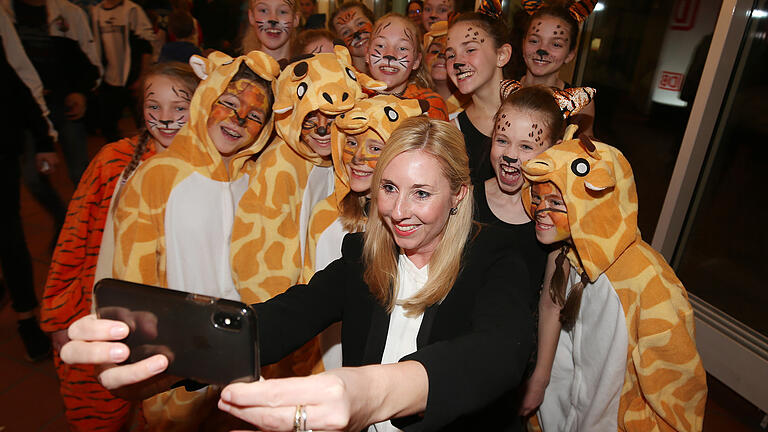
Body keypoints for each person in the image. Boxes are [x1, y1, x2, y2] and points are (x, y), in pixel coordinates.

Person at [60, 116, 537, 432]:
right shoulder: (365, 254)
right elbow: (285, 316)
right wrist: (170, 349)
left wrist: (369, 392)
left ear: (457, 194)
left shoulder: (498, 257)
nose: (398, 210)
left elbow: (497, 355)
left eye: (421, 193)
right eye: (390, 188)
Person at [111, 50, 280, 430]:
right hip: (176, 361)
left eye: (254, 116)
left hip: (242, 355)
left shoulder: (258, 180)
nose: (239, 119)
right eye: (229, 103)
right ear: (207, 98)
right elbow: (134, 276)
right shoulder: (158, 176)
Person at [40, 62, 200, 432]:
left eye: (180, 107)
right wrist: (58, 314)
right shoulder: (112, 161)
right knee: (96, 416)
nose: (165, 117)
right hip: (95, 315)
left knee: (163, 417)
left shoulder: (206, 171)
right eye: (153, 105)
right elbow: (73, 237)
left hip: (168, 326)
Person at [520, 136, 707, 430]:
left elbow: (678, 396)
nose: (541, 210)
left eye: (556, 202)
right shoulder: (565, 254)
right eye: (536, 197)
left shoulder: (649, 284)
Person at [229, 47, 385, 380]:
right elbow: (263, 262)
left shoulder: (348, 169)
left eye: (333, 121)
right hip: (293, 322)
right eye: (311, 120)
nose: (321, 132)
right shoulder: (279, 167)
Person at [303, 95, 427, 371]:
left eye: (374, 146)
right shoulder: (325, 213)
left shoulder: (409, 227)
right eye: (351, 143)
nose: (358, 157)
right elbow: (310, 298)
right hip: (326, 359)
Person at [475, 85, 594, 300]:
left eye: (526, 147)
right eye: (502, 141)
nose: (510, 155)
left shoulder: (556, 218)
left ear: (554, 151)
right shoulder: (465, 200)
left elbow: (550, 304)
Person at [0, 5, 58, 362]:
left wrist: (43, 141)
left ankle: (25, 317)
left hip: (2, 158)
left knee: (9, 236)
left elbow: (20, 92)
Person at [445, 2, 512, 184]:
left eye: (470, 49)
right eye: (450, 55)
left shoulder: (536, 116)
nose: (458, 62)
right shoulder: (453, 133)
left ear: (502, 55)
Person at [519, 3, 596, 136]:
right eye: (534, 41)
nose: (542, 50)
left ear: (570, 54)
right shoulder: (503, 89)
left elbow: (585, 153)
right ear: (523, 43)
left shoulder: (579, 103)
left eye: (556, 44)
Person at [91, 0, 157, 142]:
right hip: (108, 79)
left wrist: (142, 77)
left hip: (132, 78)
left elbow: (146, 46)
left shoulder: (132, 10)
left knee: (146, 126)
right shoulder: (96, 12)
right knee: (108, 127)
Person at [367, 13, 448, 121]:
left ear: (416, 61)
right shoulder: (351, 98)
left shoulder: (429, 106)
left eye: (402, 48)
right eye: (380, 45)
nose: (390, 55)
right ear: (367, 54)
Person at [422, 20, 468, 118]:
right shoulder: (411, 103)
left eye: (450, 53)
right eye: (434, 51)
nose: (442, 55)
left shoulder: (474, 110)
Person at [241, 0, 299, 65]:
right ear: (251, 16)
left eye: (282, 12)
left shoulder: (309, 73)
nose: (273, 19)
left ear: (295, 19)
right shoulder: (236, 71)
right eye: (263, 11)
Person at [330, 1, 374, 75]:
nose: (356, 33)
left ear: (374, 23)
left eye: (360, 23)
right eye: (346, 32)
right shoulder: (343, 79)